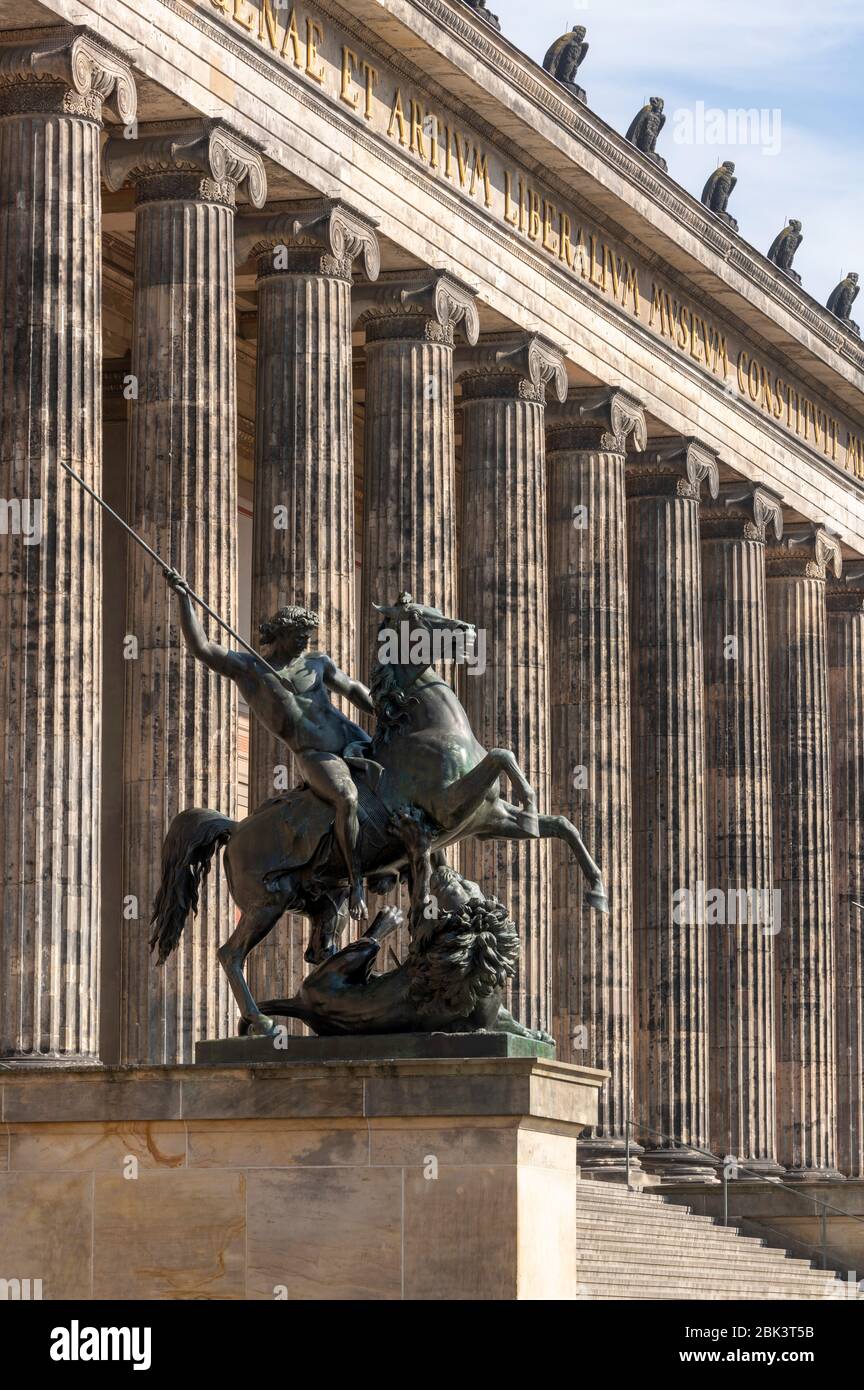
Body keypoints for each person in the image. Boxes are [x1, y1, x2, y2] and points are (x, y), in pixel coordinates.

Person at [164, 570, 375, 917]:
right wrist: (184, 598)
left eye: (308, 636)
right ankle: (356, 885)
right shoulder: (251, 670)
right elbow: (202, 649)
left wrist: (380, 705)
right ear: (280, 634)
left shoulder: (317, 662)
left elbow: (351, 689)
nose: (305, 642)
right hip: (315, 755)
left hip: (352, 738)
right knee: (346, 798)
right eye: (299, 637)